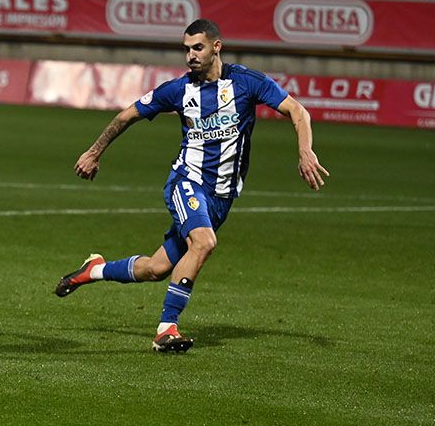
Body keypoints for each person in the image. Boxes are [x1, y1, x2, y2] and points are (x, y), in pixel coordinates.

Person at [55, 19, 330, 353]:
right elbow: (127, 115)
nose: (190, 56)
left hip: (221, 198)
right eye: (186, 49)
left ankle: (94, 270)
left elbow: (297, 111)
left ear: (217, 46)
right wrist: (94, 152)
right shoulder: (178, 90)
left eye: (197, 47)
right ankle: (166, 329)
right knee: (203, 242)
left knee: (156, 268)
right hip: (187, 182)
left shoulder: (246, 82)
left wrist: (305, 150)